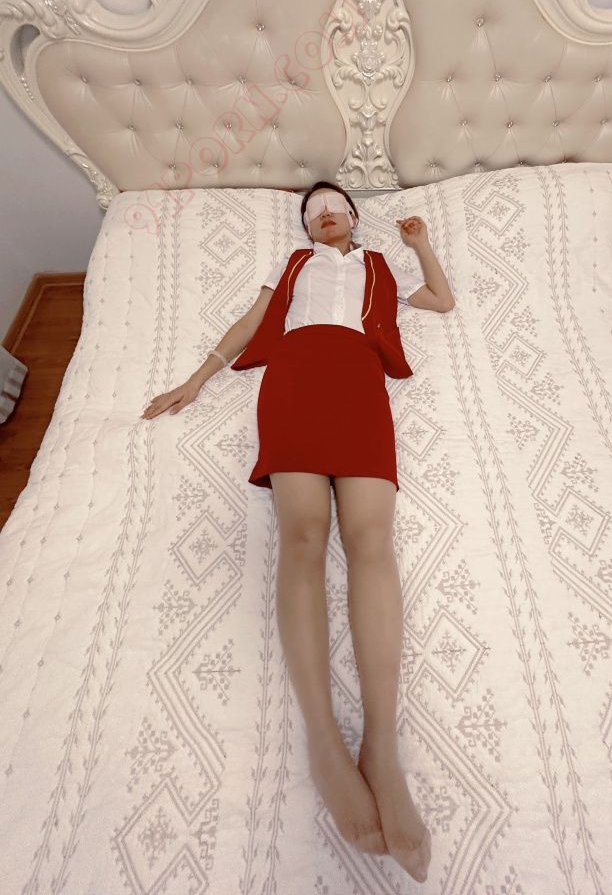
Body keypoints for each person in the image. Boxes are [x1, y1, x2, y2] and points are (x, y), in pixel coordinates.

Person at [141, 180, 455, 884]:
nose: (325, 213)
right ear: (307, 227)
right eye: (312, 210)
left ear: (354, 217)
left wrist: (421, 245)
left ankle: (381, 747)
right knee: (304, 537)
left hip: (359, 382)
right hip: (294, 379)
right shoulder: (291, 266)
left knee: (371, 540)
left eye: (335, 205)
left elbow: (441, 300)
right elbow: (250, 324)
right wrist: (198, 378)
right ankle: (323, 739)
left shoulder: (377, 269)